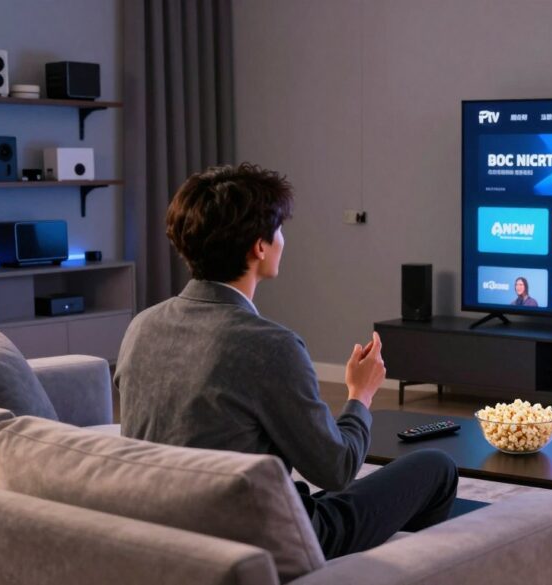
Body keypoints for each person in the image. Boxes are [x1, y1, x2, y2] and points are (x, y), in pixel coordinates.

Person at [114, 163, 458, 560]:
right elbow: (337, 470)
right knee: (437, 468)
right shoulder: (269, 345)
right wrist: (359, 395)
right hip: (268, 539)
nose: (282, 240)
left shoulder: (142, 326)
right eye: (278, 230)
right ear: (259, 247)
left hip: (163, 531)